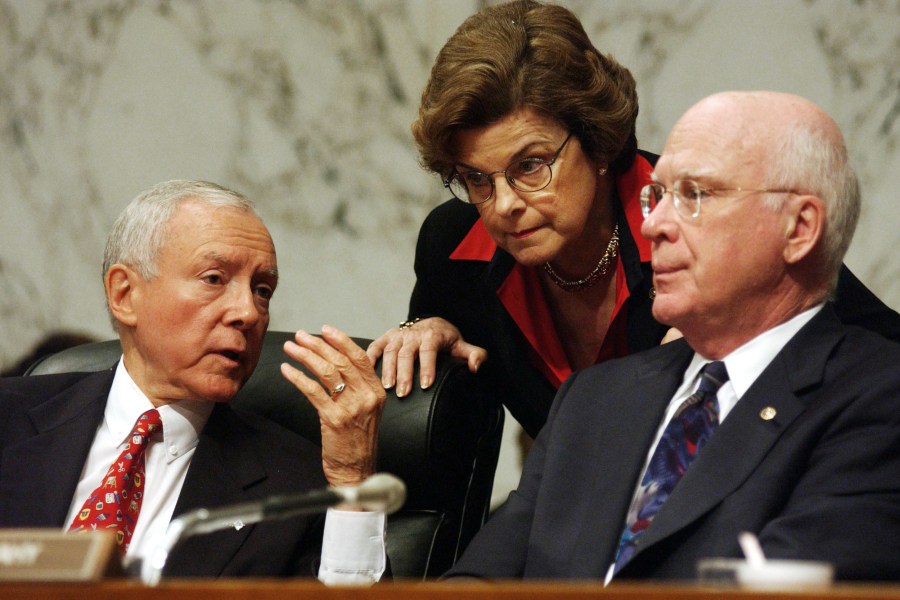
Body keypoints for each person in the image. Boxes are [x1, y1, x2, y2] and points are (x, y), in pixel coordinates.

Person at [366, 0, 900, 440]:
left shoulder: (698, 215)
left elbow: (877, 353)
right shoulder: (453, 247)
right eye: (476, 179)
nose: (502, 204)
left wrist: (748, 359)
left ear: (598, 144)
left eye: (530, 166)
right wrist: (427, 328)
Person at [442, 91, 900, 582]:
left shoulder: (876, 400)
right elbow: (478, 582)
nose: (653, 223)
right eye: (656, 196)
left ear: (798, 228)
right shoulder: (593, 399)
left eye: (694, 195)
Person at [0, 180, 387, 583]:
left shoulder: (299, 488)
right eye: (214, 279)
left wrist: (352, 483)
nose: (248, 313)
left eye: (262, 290)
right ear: (125, 293)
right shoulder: (10, 419)